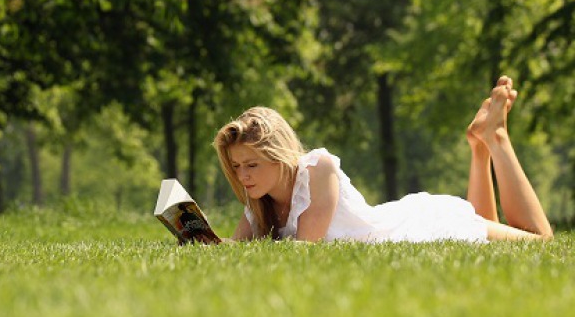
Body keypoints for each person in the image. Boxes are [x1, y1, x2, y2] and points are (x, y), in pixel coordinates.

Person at [212, 76, 553, 242]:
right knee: (494, 239)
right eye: (238, 166)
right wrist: (199, 237)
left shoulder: (318, 168)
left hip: (415, 228)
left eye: (252, 164)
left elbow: (305, 248)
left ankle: (496, 138)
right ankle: (479, 148)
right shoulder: (259, 202)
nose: (243, 176)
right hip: (399, 219)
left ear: (280, 157)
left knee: (539, 242)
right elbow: (238, 249)